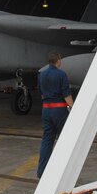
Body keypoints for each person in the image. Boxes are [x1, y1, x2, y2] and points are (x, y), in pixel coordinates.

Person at [36, 51, 74, 179]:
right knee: (63, 141)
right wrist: (74, 108)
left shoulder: (41, 75)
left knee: (47, 140)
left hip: (46, 110)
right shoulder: (61, 74)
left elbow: (41, 94)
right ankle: (62, 173)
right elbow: (66, 95)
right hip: (59, 111)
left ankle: (42, 172)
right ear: (58, 60)